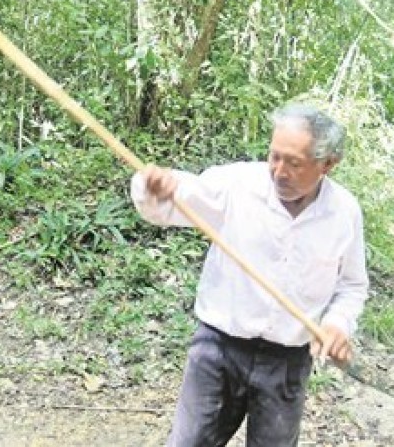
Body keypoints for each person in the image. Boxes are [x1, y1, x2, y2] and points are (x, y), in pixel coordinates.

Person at [130, 103, 369, 447]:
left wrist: (337, 325)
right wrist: (154, 187)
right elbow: (172, 201)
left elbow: (351, 286)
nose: (279, 171)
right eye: (275, 157)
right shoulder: (237, 184)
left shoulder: (343, 213)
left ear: (328, 164)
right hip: (218, 347)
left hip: (287, 360)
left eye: (294, 163)